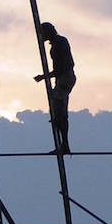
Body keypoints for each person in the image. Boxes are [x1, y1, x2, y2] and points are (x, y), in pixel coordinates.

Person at [33, 22, 75, 155]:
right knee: (59, 111)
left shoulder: (59, 43)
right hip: (64, 78)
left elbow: (61, 68)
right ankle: (64, 143)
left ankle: (64, 143)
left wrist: (44, 76)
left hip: (65, 77)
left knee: (59, 109)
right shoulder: (58, 43)